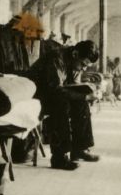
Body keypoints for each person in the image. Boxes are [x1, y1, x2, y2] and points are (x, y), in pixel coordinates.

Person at [25, 40, 101, 170]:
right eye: (83, 64)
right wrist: (84, 95)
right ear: (76, 53)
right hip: (36, 94)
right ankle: (59, 158)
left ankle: (79, 149)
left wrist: (87, 92)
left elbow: (70, 84)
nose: (83, 68)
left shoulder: (73, 59)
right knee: (61, 105)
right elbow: (55, 89)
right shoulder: (56, 58)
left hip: (52, 92)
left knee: (81, 103)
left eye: (86, 66)